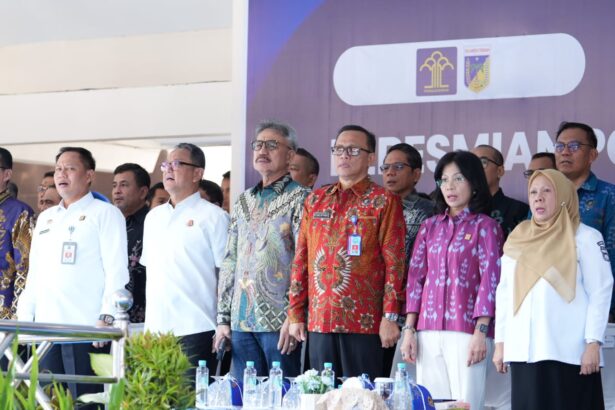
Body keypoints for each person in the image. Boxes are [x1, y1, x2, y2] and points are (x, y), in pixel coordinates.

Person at [289, 124, 406, 379]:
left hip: (364, 324)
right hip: (320, 320)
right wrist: (296, 313)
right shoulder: (315, 200)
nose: (344, 155)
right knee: (320, 394)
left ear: (371, 158)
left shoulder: (384, 200)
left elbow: (395, 264)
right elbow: (301, 260)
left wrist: (390, 317)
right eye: (339, 149)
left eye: (353, 150)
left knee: (361, 395)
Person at [493, 169, 613, 409]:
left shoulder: (585, 237)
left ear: (564, 195)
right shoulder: (518, 238)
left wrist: (593, 343)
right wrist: (501, 343)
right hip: (524, 352)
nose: (538, 197)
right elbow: (505, 293)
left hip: (569, 353)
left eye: (547, 191)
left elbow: (600, 290)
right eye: (533, 192)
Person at [17, 147, 129, 401]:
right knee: (48, 401)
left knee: (84, 401)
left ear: (89, 175)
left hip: (85, 330)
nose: (61, 174)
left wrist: (107, 316)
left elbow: (116, 269)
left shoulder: (105, 213)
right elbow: (35, 274)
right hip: (45, 331)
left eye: (70, 168)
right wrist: (25, 320)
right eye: (58, 169)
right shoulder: (46, 218)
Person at [400, 150, 504, 410]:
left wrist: (481, 332)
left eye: (458, 178)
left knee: (465, 404)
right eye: (444, 180)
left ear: (474, 183)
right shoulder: (430, 226)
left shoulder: (486, 226)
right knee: (431, 404)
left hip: (467, 331)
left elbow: (491, 281)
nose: (449, 186)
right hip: (427, 330)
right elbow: (416, 279)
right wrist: (409, 331)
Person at [215, 120, 309, 379]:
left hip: (280, 321)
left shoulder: (302, 198)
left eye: (272, 145)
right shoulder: (244, 200)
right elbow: (230, 259)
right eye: (258, 145)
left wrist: (295, 315)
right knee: (245, 394)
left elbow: (305, 261)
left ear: (290, 155)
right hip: (241, 320)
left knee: (282, 394)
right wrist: (223, 319)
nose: (262, 151)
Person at [141, 143, 229, 379]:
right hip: (155, 331)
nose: (169, 169)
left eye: (177, 164)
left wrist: (224, 323)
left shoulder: (215, 217)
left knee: (191, 397)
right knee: (155, 397)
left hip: (197, 327)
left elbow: (227, 275)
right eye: (166, 165)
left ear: (197, 173)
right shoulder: (153, 217)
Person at [381, 142, 435, 376]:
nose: (390, 173)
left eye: (398, 167)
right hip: (372, 309)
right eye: (386, 168)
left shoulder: (429, 212)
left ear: (416, 174)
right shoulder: (375, 207)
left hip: (408, 313)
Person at [554, 121, 615, 321]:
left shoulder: (609, 195)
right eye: (560, 146)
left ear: (592, 155)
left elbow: (612, 255)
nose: (565, 152)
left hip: (593, 308)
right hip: (550, 306)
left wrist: (607, 310)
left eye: (574, 146)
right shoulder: (544, 195)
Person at [112, 163, 150, 323]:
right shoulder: (111, 222)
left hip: (144, 318)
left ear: (143, 192)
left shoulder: (153, 223)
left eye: (124, 185)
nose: (117, 191)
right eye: (114, 185)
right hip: (110, 314)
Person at [0, 148, 34, 320]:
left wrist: (17, 314)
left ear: (7, 174)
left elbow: (25, 267)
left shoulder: (20, 212)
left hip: (4, 311)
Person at [472, 145, 529, 239]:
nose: (475, 169)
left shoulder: (520, 210)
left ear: (499, 171)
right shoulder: (460, 211)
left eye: (483, 162)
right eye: (471, 164)